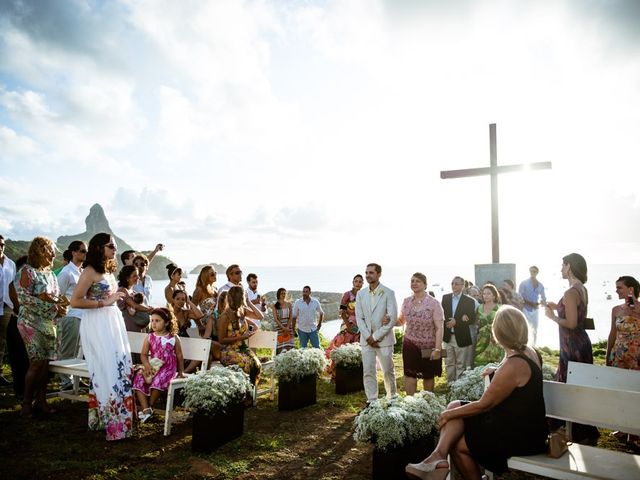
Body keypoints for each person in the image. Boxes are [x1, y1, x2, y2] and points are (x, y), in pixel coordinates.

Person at [405, 306, 548, 480]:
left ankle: (438, 459)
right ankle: (437, 458)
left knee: (458, 445)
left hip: (522, 435)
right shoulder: (528, 351)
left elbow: (484, 405)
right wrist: (496, 369)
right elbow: (516, 378)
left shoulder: (514, 364)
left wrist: (446, 415)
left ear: (498, 333)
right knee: (455, 405)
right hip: (520, 423)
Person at [70, 233, 133, 441]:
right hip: (97, 323)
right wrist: (103, 303)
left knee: (119, 367)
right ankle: (114, 424)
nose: (114, 249)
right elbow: (76, 301)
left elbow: (110, 296)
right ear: (99, 248)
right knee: (105, 368)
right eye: (110, 246)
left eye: (115, 246)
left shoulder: (108, 269)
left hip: (113, 321)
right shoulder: (89, 271)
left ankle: (109, 419)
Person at [544, 252, 599, 444]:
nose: (560, 269)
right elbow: (576, 314)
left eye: (562, 265)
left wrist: (552, 317)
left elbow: (572, 323)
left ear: (569, 267)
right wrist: (558, 307)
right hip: (581, 344)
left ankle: (574, 431)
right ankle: (580, 428)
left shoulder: (570, 292)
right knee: (579, 387)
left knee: (569, 387)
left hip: (572, 345)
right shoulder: (581, 289)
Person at [16, 237, 67, 416]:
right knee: (36, 363)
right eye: (52, 250)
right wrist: (51, 306)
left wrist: (62, 307)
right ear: (41, 250)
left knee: (46, 364)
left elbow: (57, 297)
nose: (54, 254)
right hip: (30, 322)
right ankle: (26, 404)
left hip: (49, 323)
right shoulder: (27, 271)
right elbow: (24, 298)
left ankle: (41, 401)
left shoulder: (51, 274)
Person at [132, 307, 185, 423]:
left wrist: (181, 372)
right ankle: (146, 409)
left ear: (166, 322)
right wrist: (147, 366)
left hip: (168, 368)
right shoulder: (150, 337)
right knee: (139, 378)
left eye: (157, 321)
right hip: (153, 365)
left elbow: (180, 356)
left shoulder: (173, 337)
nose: (154, 323)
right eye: (152, 320)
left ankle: (150, 406)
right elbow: (144, 355)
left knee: (158, 381)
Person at [355, 263, 398, 403]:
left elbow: (392, 319)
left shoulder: (388, 293)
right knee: (368, 371)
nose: (368, 275)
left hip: (384, 340)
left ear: (379, 274)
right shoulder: (361, 294)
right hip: (366, 340)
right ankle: (372, 400)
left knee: (387, 371)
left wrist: (375, 337)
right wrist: (368, 337)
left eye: (371, 272)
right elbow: (359, 318)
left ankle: (392, 398)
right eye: (366, 272)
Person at [398, 272, 444, 394]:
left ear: (425, 284)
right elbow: (401, 321)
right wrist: (389, 320)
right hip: (410, 343)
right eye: (412, 281)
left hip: (428, 345)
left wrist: (437, 349)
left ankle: (427, 403)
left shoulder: (434, 303)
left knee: (428, 376)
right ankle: (410, 404)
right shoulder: (406, 301)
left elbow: (439, 327)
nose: (414, 283)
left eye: (417, 281)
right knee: (409, 374)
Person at [55, 241, 87, 390]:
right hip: (70, 315)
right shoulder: (66, 272)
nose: (85, 254)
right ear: (74, 252)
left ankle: (75, 379)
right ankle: (65, 381)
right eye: (82, 251)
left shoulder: (82, 272)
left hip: (83, 316)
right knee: (68, 349)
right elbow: (57, 294)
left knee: (78, 350)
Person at [218, 286, 263, 385]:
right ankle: (245, 391)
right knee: (248, 364)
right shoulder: (225, 316)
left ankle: (251, 392)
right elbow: (221, 339)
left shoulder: (243, 311)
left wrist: (249, 302)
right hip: (228, 350)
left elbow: (260, 316)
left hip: (243, 348)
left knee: (257, 365)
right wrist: (241, 337)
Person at [325, 275, 364, 375]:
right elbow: (342, 312)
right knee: (342, 345)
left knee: (357, 347)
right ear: (353, 283)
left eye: (360, 282)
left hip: (360, 324)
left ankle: (353, 373)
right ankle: (336, 372)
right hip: (348, 323)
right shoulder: (347, 295)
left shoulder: (365, 295)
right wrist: (349, 326)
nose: (358, 283)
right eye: (356, 281)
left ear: (363, 283)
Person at [441, 277, 477, 382]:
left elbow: (472, 319)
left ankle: (458, 386)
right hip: (447, 336)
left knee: (461, 364)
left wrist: (457, 322)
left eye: (456, 284)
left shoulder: (469, 301)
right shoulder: (445, 298)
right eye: (452, 283)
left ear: (463, 286)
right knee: (449, 362)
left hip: (461, 336)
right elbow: (441, 315)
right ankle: (450, 385)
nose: (453, 285)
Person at [607, 275, 640, 370]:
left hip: (636, 357)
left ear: (630, 289)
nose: (616, 291)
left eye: (619, 288)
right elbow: (612, 334)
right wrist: (608, 356)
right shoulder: (616, 310)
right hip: (618, 356)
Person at [0, 234, 19, 387]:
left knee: (2, 341)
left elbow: (13, 287)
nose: (1, 247)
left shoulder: (10, 264)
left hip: (6, 306)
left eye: (2, 244)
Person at [474, 284, 504, 366]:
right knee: (479, 360)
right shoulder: (479, 308)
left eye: (488, 293)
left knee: (495, 363)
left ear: (494, 296)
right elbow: (476, 323)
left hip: (496, 338)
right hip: (482, 338)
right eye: (484, 293)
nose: (486, 296)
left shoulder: (500, 308)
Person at [116, 265, 153, 332]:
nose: (138, 277)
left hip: (138, 329)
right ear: (127, 278)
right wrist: (149, 310)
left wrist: (149, 308)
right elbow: (135, 306)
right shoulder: (122, 290)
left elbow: (141, 306)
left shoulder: (133, 292)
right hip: (128, 330)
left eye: (138, 275)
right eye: (135, 276)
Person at [519, 266, 546, 346]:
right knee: (525, 328)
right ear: (529, 271)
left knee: (535, 329)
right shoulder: (524, 283)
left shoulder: (540, 285)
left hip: (535, 310)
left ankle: (533, 346)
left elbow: (543, 298)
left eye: (534, 271)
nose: (532, 273)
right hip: (525, 309)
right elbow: (520, 296)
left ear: (537, 273)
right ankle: (524, 345)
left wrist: (542, 303)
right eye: (531, 271)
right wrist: (529, 303)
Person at [272, 288, 295, 354]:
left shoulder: (289, 304)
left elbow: (291, 317)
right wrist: (283, 328)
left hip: (288, 327)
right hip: (279, 328)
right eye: (282, 293)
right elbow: (276, 319)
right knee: (280, 347)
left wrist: (287, 327)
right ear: (278, 294)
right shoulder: (275, 305)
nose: (283, 295)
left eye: (284, 293)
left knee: (289, 347)